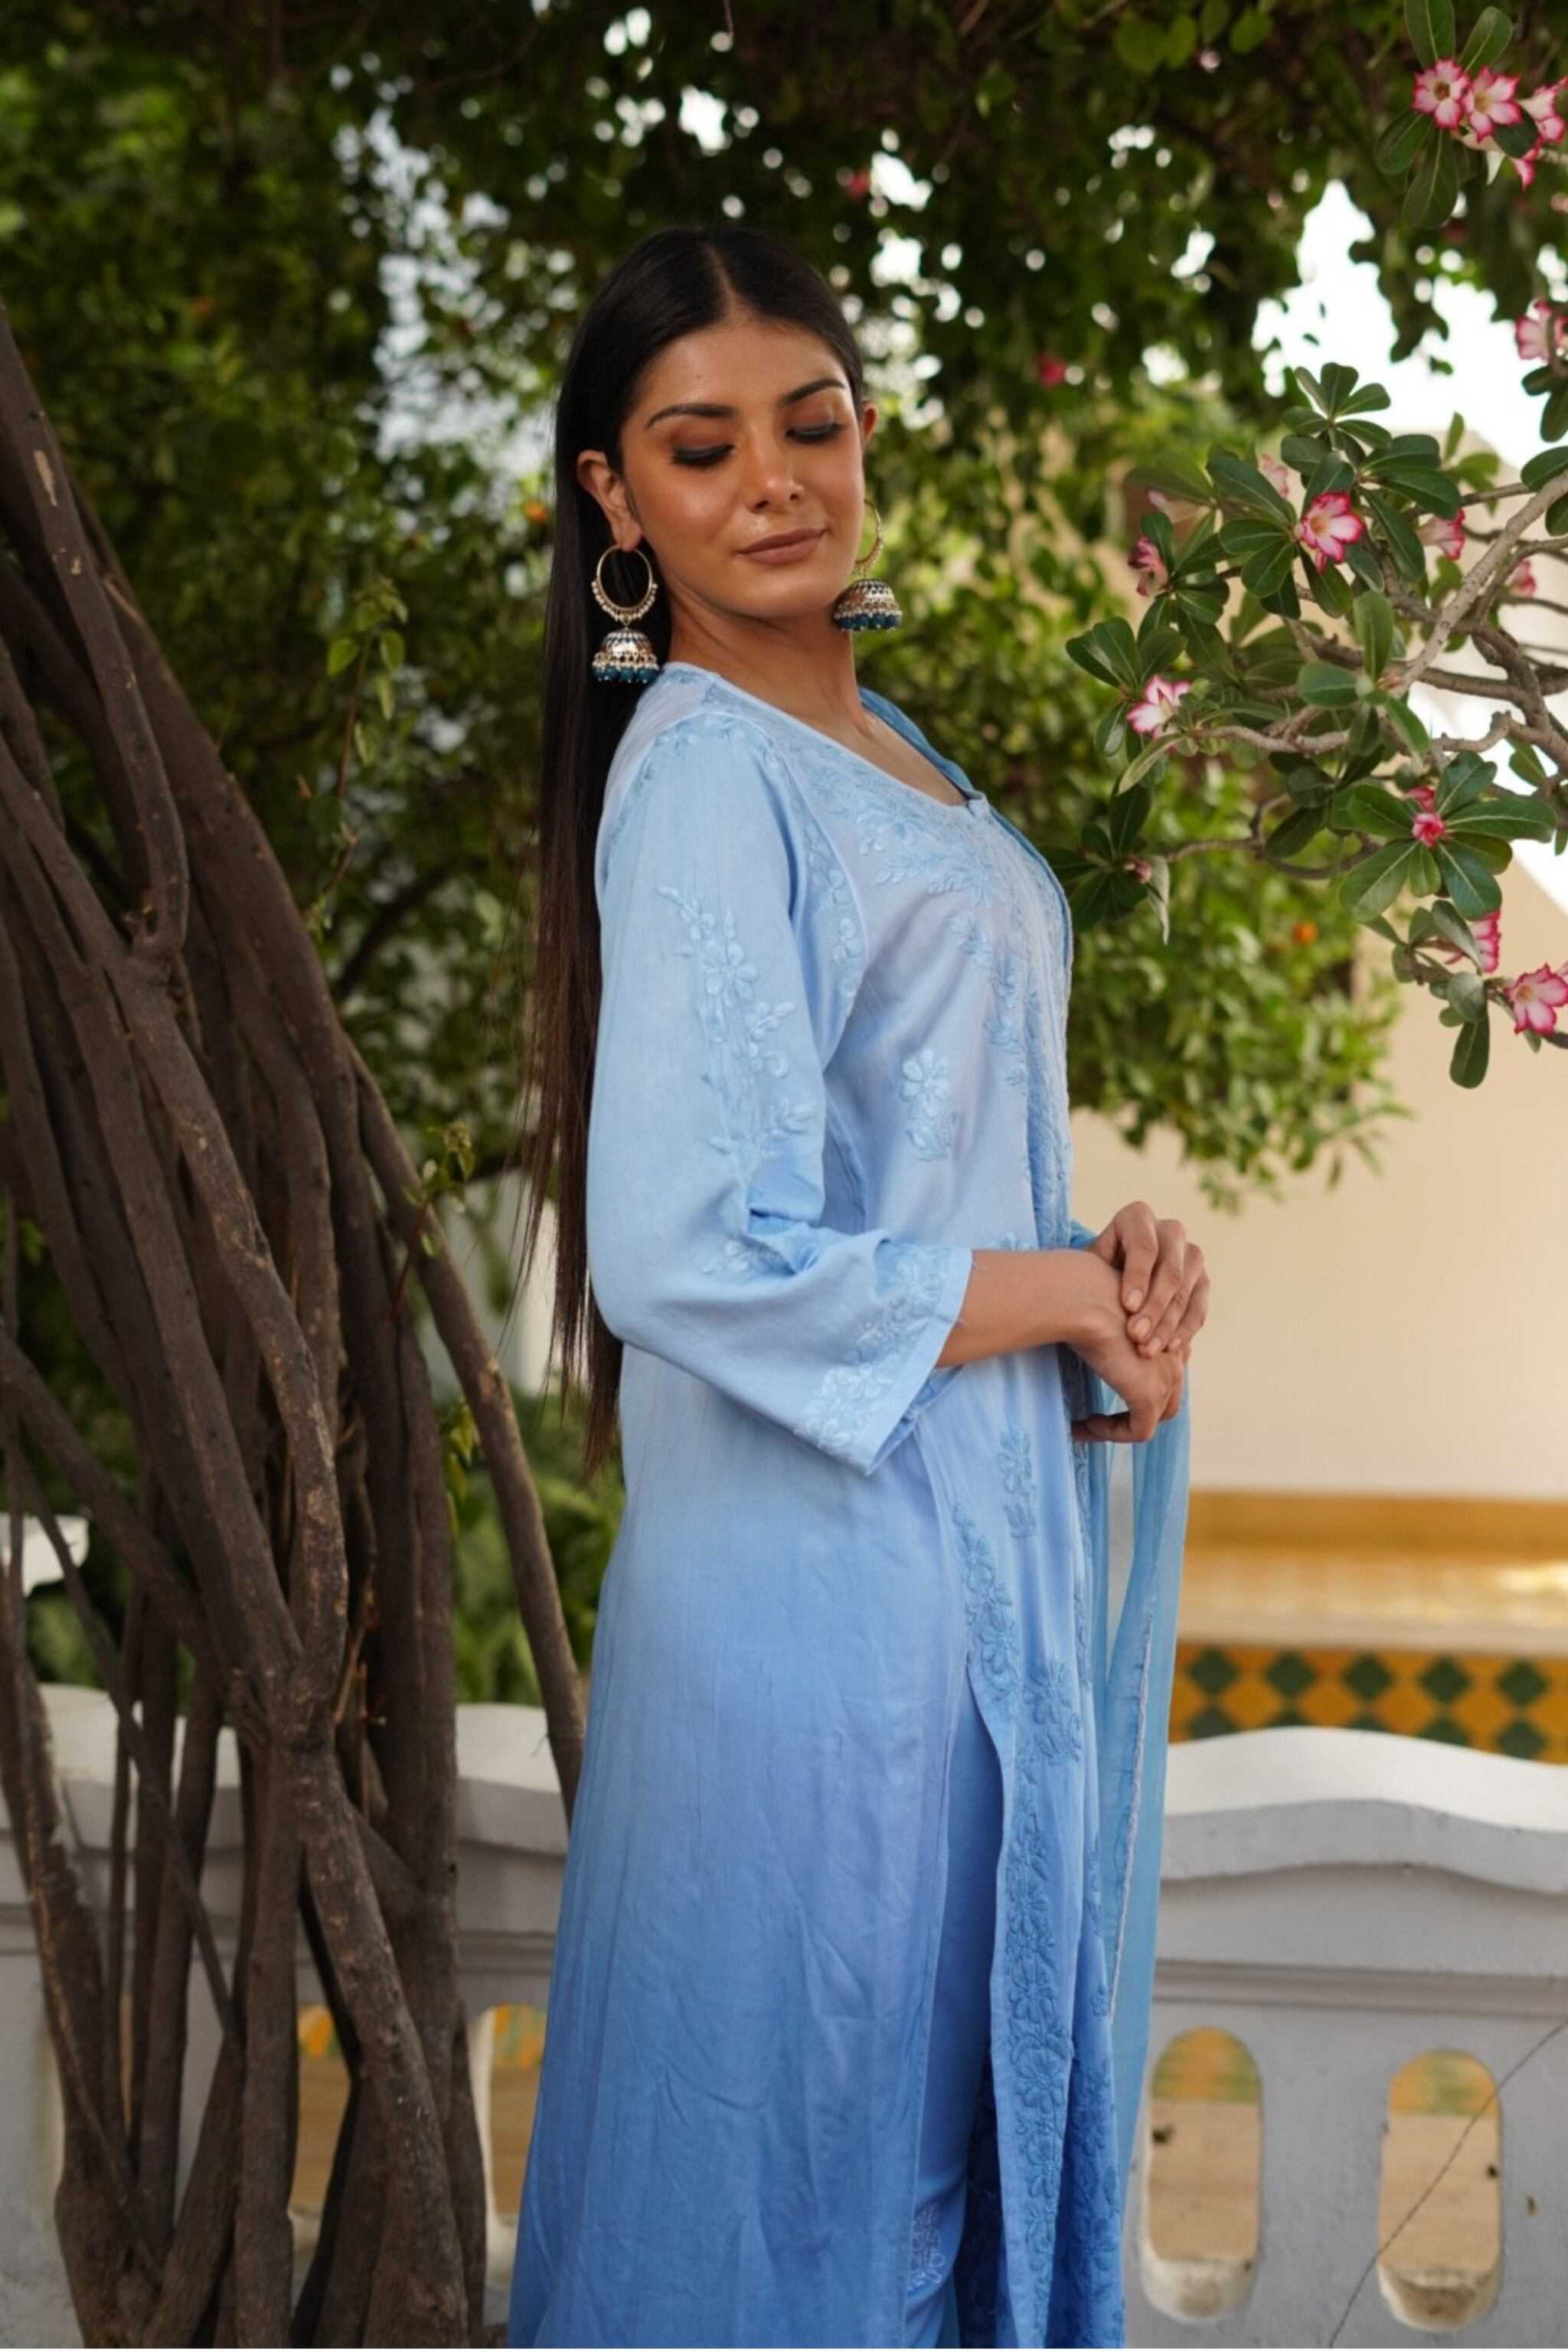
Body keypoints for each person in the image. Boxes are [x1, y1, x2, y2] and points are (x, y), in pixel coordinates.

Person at [506, 221, 1206, 2350]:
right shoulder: (709, 767)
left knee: (908, 2158)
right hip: (826, 1633)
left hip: (959, 1571)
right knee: (811, 2187)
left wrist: (1108, 1304)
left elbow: (910, 1179)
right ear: (618, 504)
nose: (775, 482)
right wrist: (1049, 1293)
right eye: (701, 450)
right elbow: (690, 1245)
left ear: (864, 428)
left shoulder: (886, 741)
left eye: (810, 424)